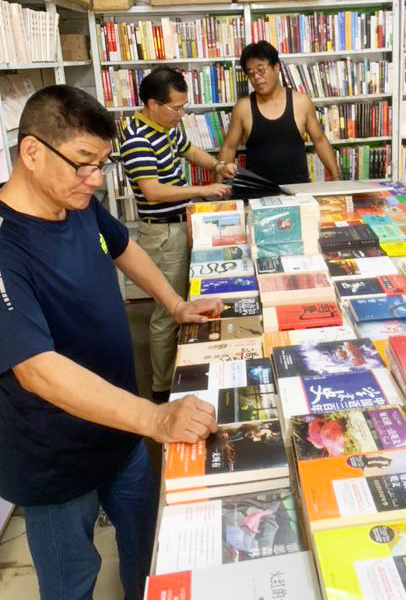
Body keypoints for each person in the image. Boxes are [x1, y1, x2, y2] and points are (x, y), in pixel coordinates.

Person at [0, 84, 225, 600]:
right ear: (32, 152)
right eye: (83, 163)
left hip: (121, 431)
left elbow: (123, 248)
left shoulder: (76, 200)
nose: (96, 179)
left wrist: (176, 304)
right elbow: (36, 369)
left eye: (102, 164)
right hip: (56, 458)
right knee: (71, 582)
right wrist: (157, 419)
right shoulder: (6, 243)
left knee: (149, 554)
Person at [120, 66, 237, 402]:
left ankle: (178, 372)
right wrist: (201, 190)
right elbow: (153, 191)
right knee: (166, 312)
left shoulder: (165, 126)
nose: (181, 114)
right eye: (176, 108)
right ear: (152, 104)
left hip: (178, 226)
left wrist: (217, 165)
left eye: (184, 107)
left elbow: (189, 150)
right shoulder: (137, 138)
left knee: (182, 301)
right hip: (162, 234)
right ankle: (161, 387)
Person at [218, 40, 341, 185]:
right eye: (251, 73)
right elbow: (229, 147)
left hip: (298, 189)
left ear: (276, 67)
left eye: (261, 70)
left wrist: (336, 179)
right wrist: (219, 187)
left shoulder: (301, 102)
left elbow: (319, 141)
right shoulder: (243, 107)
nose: (256, 77)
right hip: (258, 191)